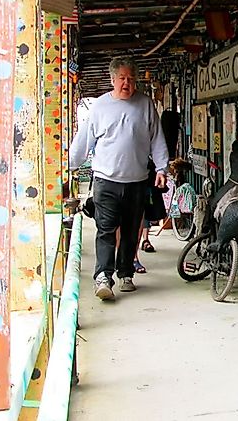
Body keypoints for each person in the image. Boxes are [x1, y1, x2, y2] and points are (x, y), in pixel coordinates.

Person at [69, 56, 169, 301]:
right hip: (106, 180)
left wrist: (162, 168)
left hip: (137, 181)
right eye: (122, 78)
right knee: (106, 229)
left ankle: (126, 273)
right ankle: (103, 276)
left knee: (131, 229)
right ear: (113, 80)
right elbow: (84, 141)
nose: (127, 83)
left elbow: (157, 139)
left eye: (131, 79)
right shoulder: (100, 107)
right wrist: (69, 165)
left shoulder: (145, 105)